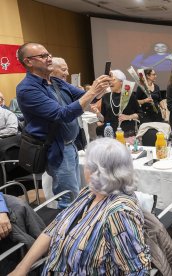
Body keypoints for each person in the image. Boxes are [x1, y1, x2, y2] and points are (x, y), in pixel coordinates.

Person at [9, 138, 151, 275]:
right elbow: (52, 229)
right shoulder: (89, 193)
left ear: (96, 172)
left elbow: (137, 270)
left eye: (87, 165)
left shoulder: (119, 213)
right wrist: (21, 268)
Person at [16, 42, 111, 209]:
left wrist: (99, 88)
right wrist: (92, 91)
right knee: (69, 198)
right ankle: (67, 232)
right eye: (43, 56)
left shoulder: (56, 82)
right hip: (56, 148)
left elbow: (87, 99)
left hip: (70, 145)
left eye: (49, 54)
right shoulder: (27, 89)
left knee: (75, 192)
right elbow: (62, 115)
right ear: (29, 61)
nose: (49, 58)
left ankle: (73, 229)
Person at [94, 69, 141, 137]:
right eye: (109, 81)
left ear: (121, 82)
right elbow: (103, 119)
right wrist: (98, 113)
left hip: (126, 134)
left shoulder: (129, 95)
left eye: (113, 80)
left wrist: (128, 117)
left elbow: (140, 114)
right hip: (110, 134)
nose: (110, 83)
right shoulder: (106, 97)